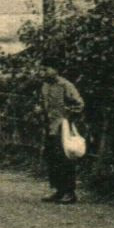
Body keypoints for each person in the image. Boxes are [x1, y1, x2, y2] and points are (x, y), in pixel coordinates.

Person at [38, 66, 85, 204]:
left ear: (55, 70)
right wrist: (40, 110)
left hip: (63, 127)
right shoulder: (45, 86)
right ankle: (58, 190)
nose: (42, 72)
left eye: (46, 69)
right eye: (41, 70)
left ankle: (70, 192)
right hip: (50, 127)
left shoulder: (66, 85)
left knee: (65, 158)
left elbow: (80, 104)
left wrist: (68, 113)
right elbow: (43, 104)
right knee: (53, 158)